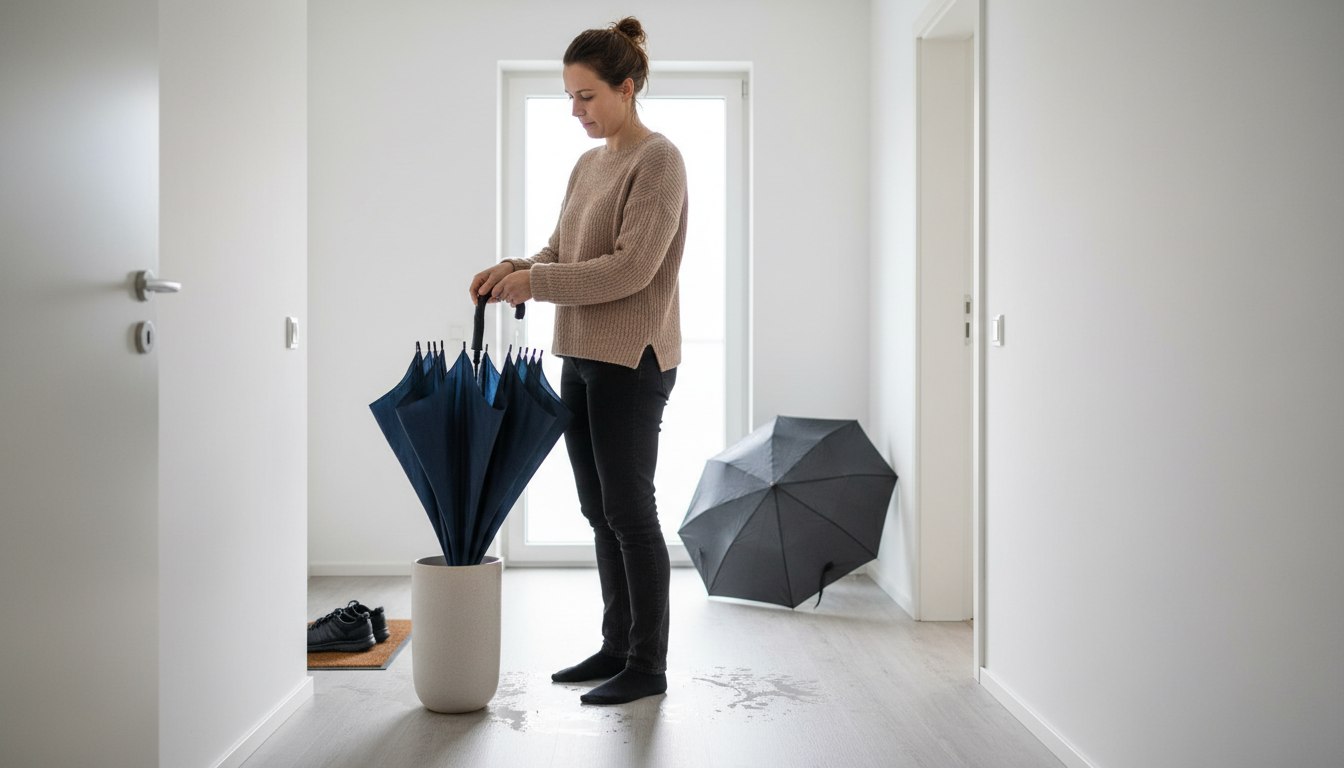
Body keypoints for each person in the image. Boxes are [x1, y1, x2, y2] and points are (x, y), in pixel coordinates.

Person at [468, 16, 687, 706]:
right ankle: (616, 645)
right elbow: (561, 252)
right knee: (598, 509)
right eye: (569, 96)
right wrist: (516, 266)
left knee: (629, 510)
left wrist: (539, 283)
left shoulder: (659, 159)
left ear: (626, 88)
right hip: (580, 352)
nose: (576, 111)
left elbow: (632, 269)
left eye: (587, 96)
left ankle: (647, 666)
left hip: (633, 357)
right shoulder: (587, 165)